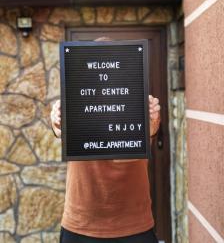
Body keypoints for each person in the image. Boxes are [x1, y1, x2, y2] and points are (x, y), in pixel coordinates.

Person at [51, 38, 161, 243]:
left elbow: (150, 133)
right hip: (81, 224)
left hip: (134, 224)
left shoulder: (138, 103)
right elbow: (60, 131)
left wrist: (153, 121)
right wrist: (57, 121)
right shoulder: (77, 102)